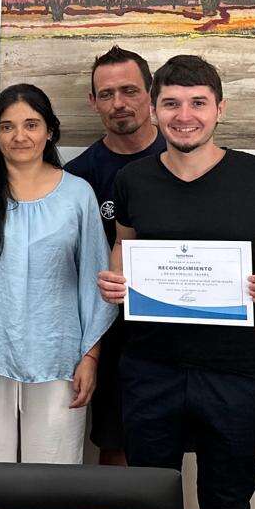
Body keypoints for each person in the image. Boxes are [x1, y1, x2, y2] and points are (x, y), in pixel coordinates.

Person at [99, 55, 255, 509]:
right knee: (149, 504)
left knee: (227, 504)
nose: (185, 115)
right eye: (171, 103)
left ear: (220, 108)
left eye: (198, 102)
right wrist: (116, 281)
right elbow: (123, 245)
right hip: (150, 368)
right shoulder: (132, 179)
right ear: (154, 110)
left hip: (233, 371)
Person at [0, 84, 116, 464]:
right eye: (7, 126)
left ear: (50, 131)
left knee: (54, 479)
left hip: (59, 358)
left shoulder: (78, 195)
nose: (19, 136)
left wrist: (90, 359)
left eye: (31, 124)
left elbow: (96, 282)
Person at [64, 46, 166, 467]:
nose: (118, 103)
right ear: (93, 102)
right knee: (116, 444)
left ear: (151, 93)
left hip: (179, 327)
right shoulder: (79, 176)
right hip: (113, 332)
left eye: (129, 91)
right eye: (106, 94)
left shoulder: (185, 157)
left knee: (173, 445)